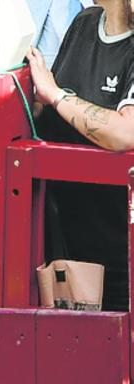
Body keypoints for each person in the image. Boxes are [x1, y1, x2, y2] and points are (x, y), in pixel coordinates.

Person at [26, 0, 134, 312]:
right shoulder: (85, 22)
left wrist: (55, 95)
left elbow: (126, 133)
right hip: (65, 252)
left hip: (121, 260)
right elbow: (49, 107)